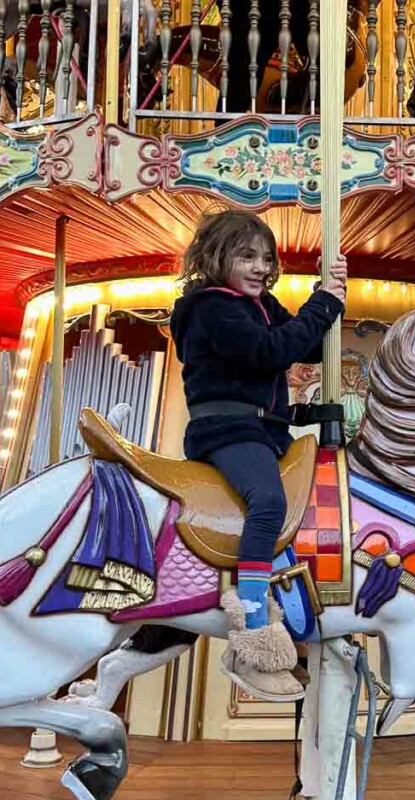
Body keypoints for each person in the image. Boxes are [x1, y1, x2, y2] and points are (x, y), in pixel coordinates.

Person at [169, 209, 347, 702]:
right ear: (214, 257)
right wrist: (324, 303)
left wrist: (328, 297)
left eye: (266, 258)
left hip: (265, 431)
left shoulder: (262, 304)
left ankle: (303, 599)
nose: (259, 266)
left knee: (321, 496)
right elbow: (271, 352)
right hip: (226, 428)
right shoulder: (211, 307)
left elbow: (305, 348)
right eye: (246, 255)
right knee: (268, 503)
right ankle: (250, 622)